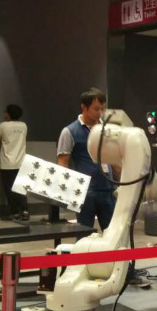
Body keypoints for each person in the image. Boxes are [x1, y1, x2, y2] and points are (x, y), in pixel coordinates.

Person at [57, 88, 116, 229]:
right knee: (84, 233)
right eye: (96, 109)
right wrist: (65, 190)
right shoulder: (70, 131)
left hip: (107, 189)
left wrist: (119, 182)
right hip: (84, 192)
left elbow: (114, 159)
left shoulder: (108, 130)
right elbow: (63, 162)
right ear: (84, 107)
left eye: (103, 108)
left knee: (112, 233)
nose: (100, 112)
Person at [0, 103, 29, 220]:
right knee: (21, 188)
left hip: (7, 163)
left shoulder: (3, 126)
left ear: (8, 114)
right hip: (21, 162)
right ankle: (25, 211)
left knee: (10, 189)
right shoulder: (24, 126)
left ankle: (15, 212)